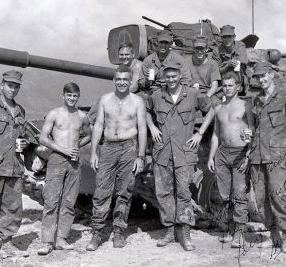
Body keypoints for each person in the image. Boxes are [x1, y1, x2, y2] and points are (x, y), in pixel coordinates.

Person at [146, 62, 211, 251]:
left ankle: (185, 233)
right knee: (163, 193)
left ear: (180, 76)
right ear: (164, 77)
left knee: (184, 192)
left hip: (184, 152)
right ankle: (168, 231)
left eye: (174, 76)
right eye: (168, 77)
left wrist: (200, 133)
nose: (171, 80)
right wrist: (151, 127)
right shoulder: (157, 95)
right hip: (163, 152)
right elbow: (146, 112)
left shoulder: (192, 94)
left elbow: (211, 110)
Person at [86, 64, 147, 251]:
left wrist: (140, 156)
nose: (121, 83)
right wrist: (94, 151)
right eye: (118, 79)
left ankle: (119, 232)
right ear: (114, 80)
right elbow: (98, 125)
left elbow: (142, 128)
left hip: (129, 147)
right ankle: (97, 232)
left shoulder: (137, 101)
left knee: (124, 191)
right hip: (109, 147)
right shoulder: (105, 100)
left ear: (130, 81)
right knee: (101, 190)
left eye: (125, 80)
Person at [37, 82, 91, 255]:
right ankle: (47, 241)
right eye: (69, 95)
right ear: (63, 96)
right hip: (57, 159)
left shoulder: (82, 116)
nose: (72, 99)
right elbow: (42, 138)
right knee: (51, 200)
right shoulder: (54, 114)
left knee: (69, 201)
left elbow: (88, 135)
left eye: (75, 96)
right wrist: (63, 149)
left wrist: (76, 147)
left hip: (74, 161)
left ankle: (61, 239)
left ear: (78, 97)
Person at [207, 71, 254, 248]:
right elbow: (216, 135)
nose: (226, 89)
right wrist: (211, 157)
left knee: (240, 195)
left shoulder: (245, 106)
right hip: (222, 154)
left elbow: (252, 131)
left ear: (238, 87)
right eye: (224, 85)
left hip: (240, 153)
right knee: (225, 196)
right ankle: (230, 230)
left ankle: (240, 235)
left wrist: (248, 155)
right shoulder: (218, 108)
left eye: (230, 85)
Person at [0, 70, 27, 259]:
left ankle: (7, 244)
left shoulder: (20, 111)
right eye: (10, 85)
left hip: (14, 167)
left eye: (16, 86)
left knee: (12, 208)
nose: (13, 89)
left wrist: (24, 143)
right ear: (1, 85)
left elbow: (22, 137)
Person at [246, 61, 286, 252]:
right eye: (257, 77)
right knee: (261, 200)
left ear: (271, 74)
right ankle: (274, 236)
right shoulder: (256, 100)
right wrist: (246, 137)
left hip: (278, 156)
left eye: (264, 75)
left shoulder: (283, 96)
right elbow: (254, 128)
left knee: (278, 197)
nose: (261, 79)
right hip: (257, 155)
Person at [138, 30, 192, 96]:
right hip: (152, 93)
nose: (163, 45)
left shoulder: (178, 60)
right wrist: (147, 81)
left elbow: (186, 81)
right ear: (157, 42)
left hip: (173, 92)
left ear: (171, 43)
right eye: (161, 42)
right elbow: (141, 84)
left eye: (166, 43)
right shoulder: (148, 60)